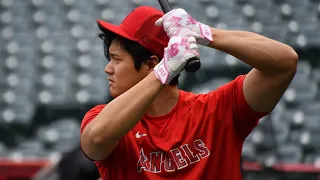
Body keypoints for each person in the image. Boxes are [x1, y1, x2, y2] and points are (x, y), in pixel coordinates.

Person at [80, 5, 298, 180]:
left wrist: (204, 33)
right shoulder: (102, 118)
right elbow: (95, 140)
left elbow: (285, 63)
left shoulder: (217, 109)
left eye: (116, 60)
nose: (107, 69)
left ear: (150, 64)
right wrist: (164, 71)